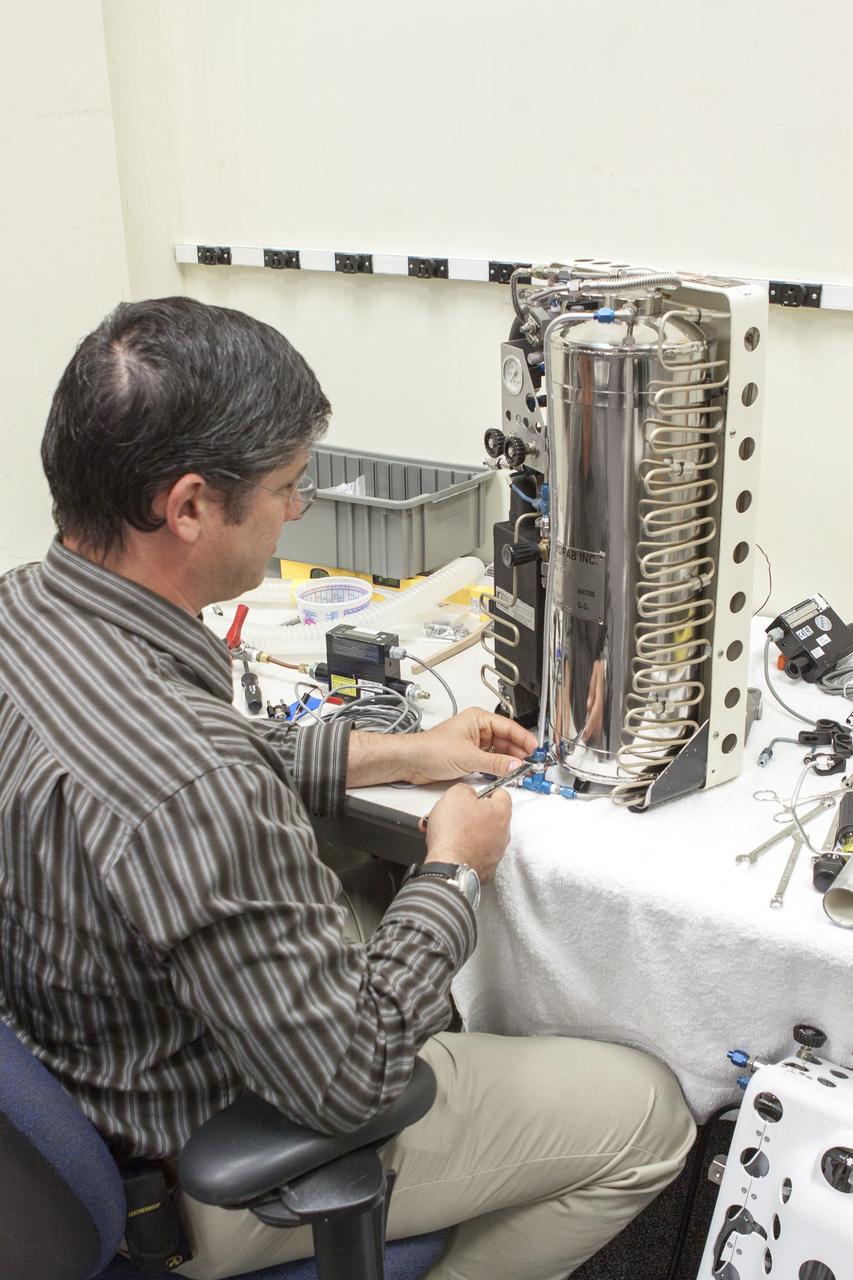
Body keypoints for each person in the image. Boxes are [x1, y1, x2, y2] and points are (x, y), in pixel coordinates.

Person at [0, 298, 695, 1280]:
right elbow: (350, 1077)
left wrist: (398, 752)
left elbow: (168, 769)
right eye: (287, 485)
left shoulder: (27, 612)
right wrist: (452, 868)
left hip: (82, 1067)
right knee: (647, 1110)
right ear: (190, 505)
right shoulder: (194, 783)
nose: (299, 507)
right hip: (207, 1168)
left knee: (367, 889)